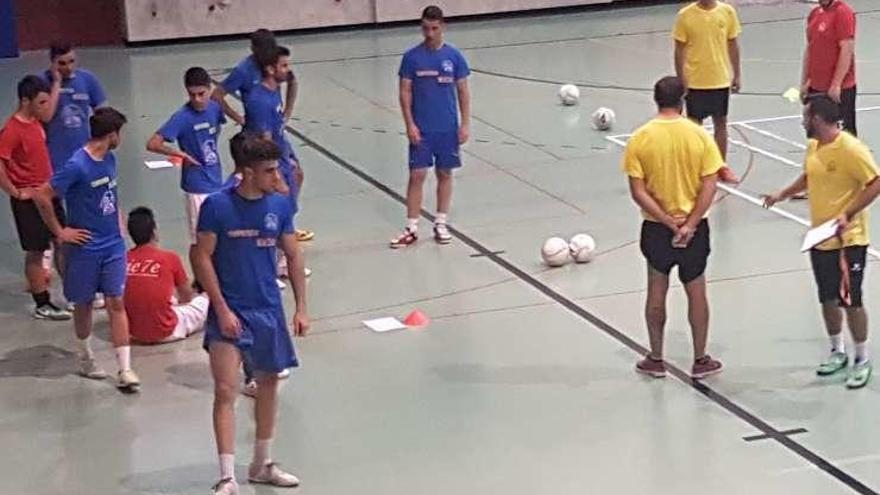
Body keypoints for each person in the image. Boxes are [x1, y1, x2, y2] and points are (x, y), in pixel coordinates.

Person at [192, 133, 309, 494]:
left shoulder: (279, 206)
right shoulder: (216, 206)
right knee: (225, 389)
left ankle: (261, 463)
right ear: (246, 172)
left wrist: (302, 307)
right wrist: (221, 308)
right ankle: (227, 476)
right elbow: (200, 257)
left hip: (268, 310)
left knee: (269, 385)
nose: (278, 177)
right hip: (230, 311)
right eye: (270, 170)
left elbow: (292, 254)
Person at [764, 95, 880, 389]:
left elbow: (875, 182)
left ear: (816, 119)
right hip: (821, 236)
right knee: (826, 296)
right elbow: (808, 176)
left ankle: (862, 359)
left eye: (805, 116)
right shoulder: (814, 145)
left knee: (851, 299)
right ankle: (837, 350)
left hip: (848, 238)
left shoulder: (851, 149)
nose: (802, 121)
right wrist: (782, 194)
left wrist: (848, 213)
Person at [28, 107, 140, 392]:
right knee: (85, 304)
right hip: (86, 248)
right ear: (112, 134)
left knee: (116, 301)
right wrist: (60, 231)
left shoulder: (110, 159)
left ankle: (125, 368)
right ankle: (86, 357)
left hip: (112, 244)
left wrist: (118, 218)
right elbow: (42, 195)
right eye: (120, 133)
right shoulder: (77, 165)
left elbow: (109, 194)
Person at [623, 76, 724, 380]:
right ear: (682, 99)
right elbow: (710, 185)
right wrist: (689, 224)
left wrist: (667, 222)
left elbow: (638, 191)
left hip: (656, 229)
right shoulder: (700, 136)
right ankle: (700, 359)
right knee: (696, 292)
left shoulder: (640, 138)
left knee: (656, 288)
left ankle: (656, 358)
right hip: (694, 230)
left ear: (656, 100)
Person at [213, 29, 313, 242]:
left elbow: (293, 81)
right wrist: (238, 117)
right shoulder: (245, 71)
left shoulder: (276, 66)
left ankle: (286, 224)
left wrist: (287, 113)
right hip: (257, 132)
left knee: (296, 175)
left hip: (275, 130)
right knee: (264, 181)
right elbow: (217, 95)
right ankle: (267, 228)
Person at [391, 5, 470, 248]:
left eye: (434, 28)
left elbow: (463, 92)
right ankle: (412, 227)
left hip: (447, 128)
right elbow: (404, 92)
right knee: (417, 175)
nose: (430, 33)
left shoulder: (454, 57)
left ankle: (441, 222)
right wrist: (410, 124)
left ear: (442, 27)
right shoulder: (412, 57)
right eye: (426, 28)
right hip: (422, 128)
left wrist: (465, 123)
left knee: (444, 173)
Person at [0, 75, 71, 320]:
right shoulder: (12, 130)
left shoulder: (36, 123)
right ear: (25, 101)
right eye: (41, 103)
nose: (45, 108)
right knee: (36, 250)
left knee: (62, 241)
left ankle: (71, 293)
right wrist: (15, 191)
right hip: (28, 199)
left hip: (48, 193)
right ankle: (43, 303)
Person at [146, 67, 226, 248]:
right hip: (196, 185)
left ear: (209, 89)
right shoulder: (182, 117)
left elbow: (217, 128)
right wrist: (179, 154)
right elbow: (153, 143)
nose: (197, 99)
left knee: (220, 235)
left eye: (201, 94)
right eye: (192, 95)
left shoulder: (214, 109)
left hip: (216, 179)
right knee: (200, 239)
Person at [673, 0, 742, 184]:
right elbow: (679, 50)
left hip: (719, 79)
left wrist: (737, 74)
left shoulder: (727, 12)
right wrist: (682, 79)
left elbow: (733, 44)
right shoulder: (685, 15)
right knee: (694, 127)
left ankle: (721, 167)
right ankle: (695, 168)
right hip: (695, 81)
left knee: (721, 124)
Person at [125, 206, 209, 344]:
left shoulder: (123, 260)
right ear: (154, 232)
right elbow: (186, 297)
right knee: (207, 299)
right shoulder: (169, 258)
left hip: (132, 332)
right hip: (168, 330)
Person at [42, 41, 107, 171]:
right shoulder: (41, 82)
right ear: (52, 62)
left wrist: (101, 142)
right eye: (62, 63)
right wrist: (56, 82)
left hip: (82, 150)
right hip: (52, 151)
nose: (68, 67)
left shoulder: (88, 79)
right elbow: (44, 116)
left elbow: (103, 115)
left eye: (72, 61)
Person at [801, 0, 857, 136]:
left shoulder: (843, 12)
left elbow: (846, 49)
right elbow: (810, 49)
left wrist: (836, 84)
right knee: (816, 136)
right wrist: (805, 81)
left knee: (842, 137)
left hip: (839, 91)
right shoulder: (814, 14)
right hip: (816, 89)